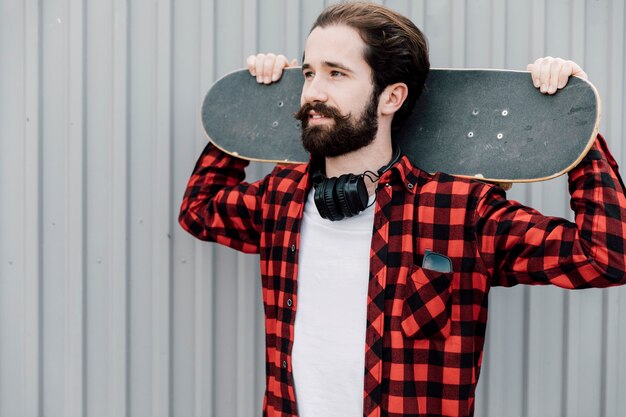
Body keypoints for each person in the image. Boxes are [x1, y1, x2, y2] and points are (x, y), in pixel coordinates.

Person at [179, 2, 626, 416]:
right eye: (309, 73)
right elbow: (198, 209)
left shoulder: (458, 211)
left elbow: (606, 257)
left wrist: (575, 131)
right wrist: (250, 114)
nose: (313, 91)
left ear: (391, 97)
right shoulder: (281, 198)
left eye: (336, 74)